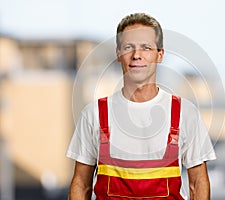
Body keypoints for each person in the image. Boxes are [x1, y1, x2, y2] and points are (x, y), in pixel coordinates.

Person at [66, 13, 216, 200]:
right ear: (118, 54)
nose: (137, 55)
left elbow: (198, 183)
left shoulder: (186, 113)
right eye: (129, 47)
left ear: (160, 55)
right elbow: (81, 184)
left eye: (146, 47)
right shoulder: (94, 114)